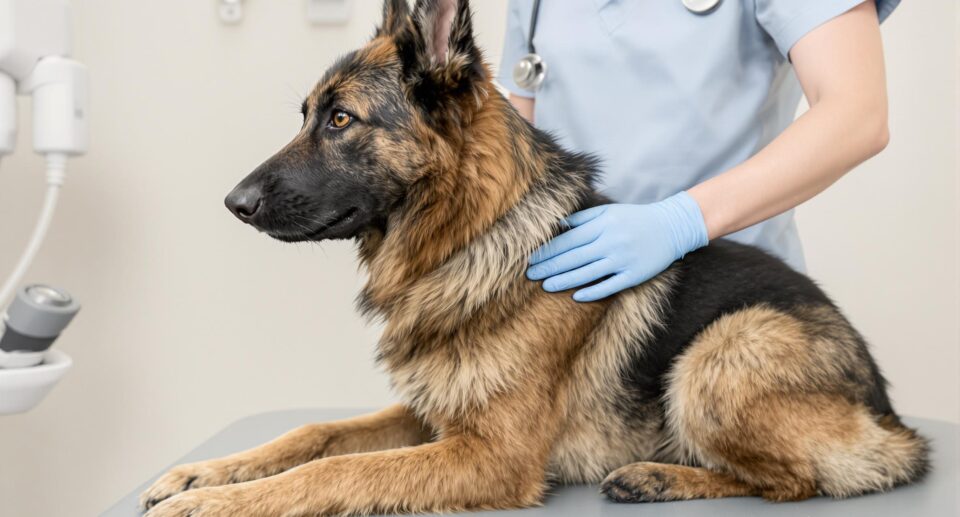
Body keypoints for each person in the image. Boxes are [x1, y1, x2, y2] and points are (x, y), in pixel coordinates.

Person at [499, 0, 899, 302]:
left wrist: (680, 222)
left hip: (729, 308)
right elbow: (520, 134)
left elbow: (857, 113)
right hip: (571, 304)